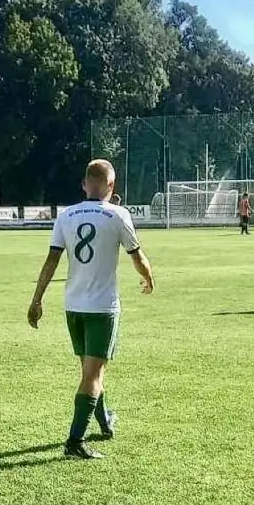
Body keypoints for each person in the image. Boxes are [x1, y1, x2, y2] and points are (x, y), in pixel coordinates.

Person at [27, 159, 155, 459]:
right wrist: (148, 278)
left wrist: (36, 300)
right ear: (111, 186)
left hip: (73, 307)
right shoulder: (118, 214)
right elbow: (137, 256)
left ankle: (104, 421)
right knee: (93, 375)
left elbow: (51, 260)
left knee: (91, 371)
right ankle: (75, 442)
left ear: (85, 185)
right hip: (102, 308)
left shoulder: (66, 216)